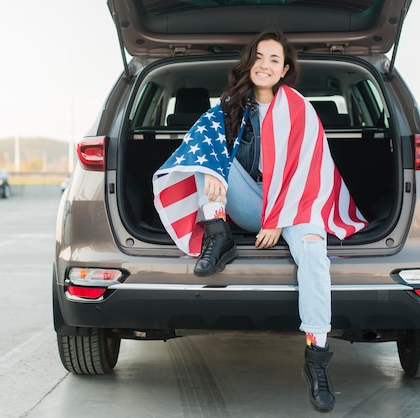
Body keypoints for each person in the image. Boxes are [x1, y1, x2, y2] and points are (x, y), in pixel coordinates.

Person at [153, 29, 368, 413]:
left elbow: (307, 173)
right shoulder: (230, 105)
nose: (264, 65)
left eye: (274, 60)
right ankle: (217, 235)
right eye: (259, 57)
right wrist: (218, 174)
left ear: (284, 69)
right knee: (207, 152)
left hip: (299, 207)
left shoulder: (300, 108)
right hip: (252, 205)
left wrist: (279, 218)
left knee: (315, 260)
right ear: (249, 62)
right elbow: (205, 149)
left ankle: (316, 359)